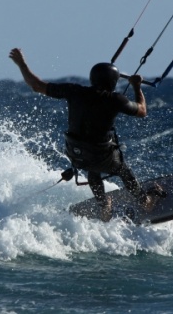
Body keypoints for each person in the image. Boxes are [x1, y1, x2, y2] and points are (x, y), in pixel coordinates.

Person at [9, 48, 164, 221]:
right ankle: (145, 201)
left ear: (92, 79)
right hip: (99, 155)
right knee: (121, 168)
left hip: (76, 155)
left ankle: (103, 204)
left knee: (92, 165)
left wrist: (21, 64)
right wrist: (136, 86)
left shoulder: (74, 91)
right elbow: (142, 111)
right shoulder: (115, 100)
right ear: (113, 82)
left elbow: (36, 86)